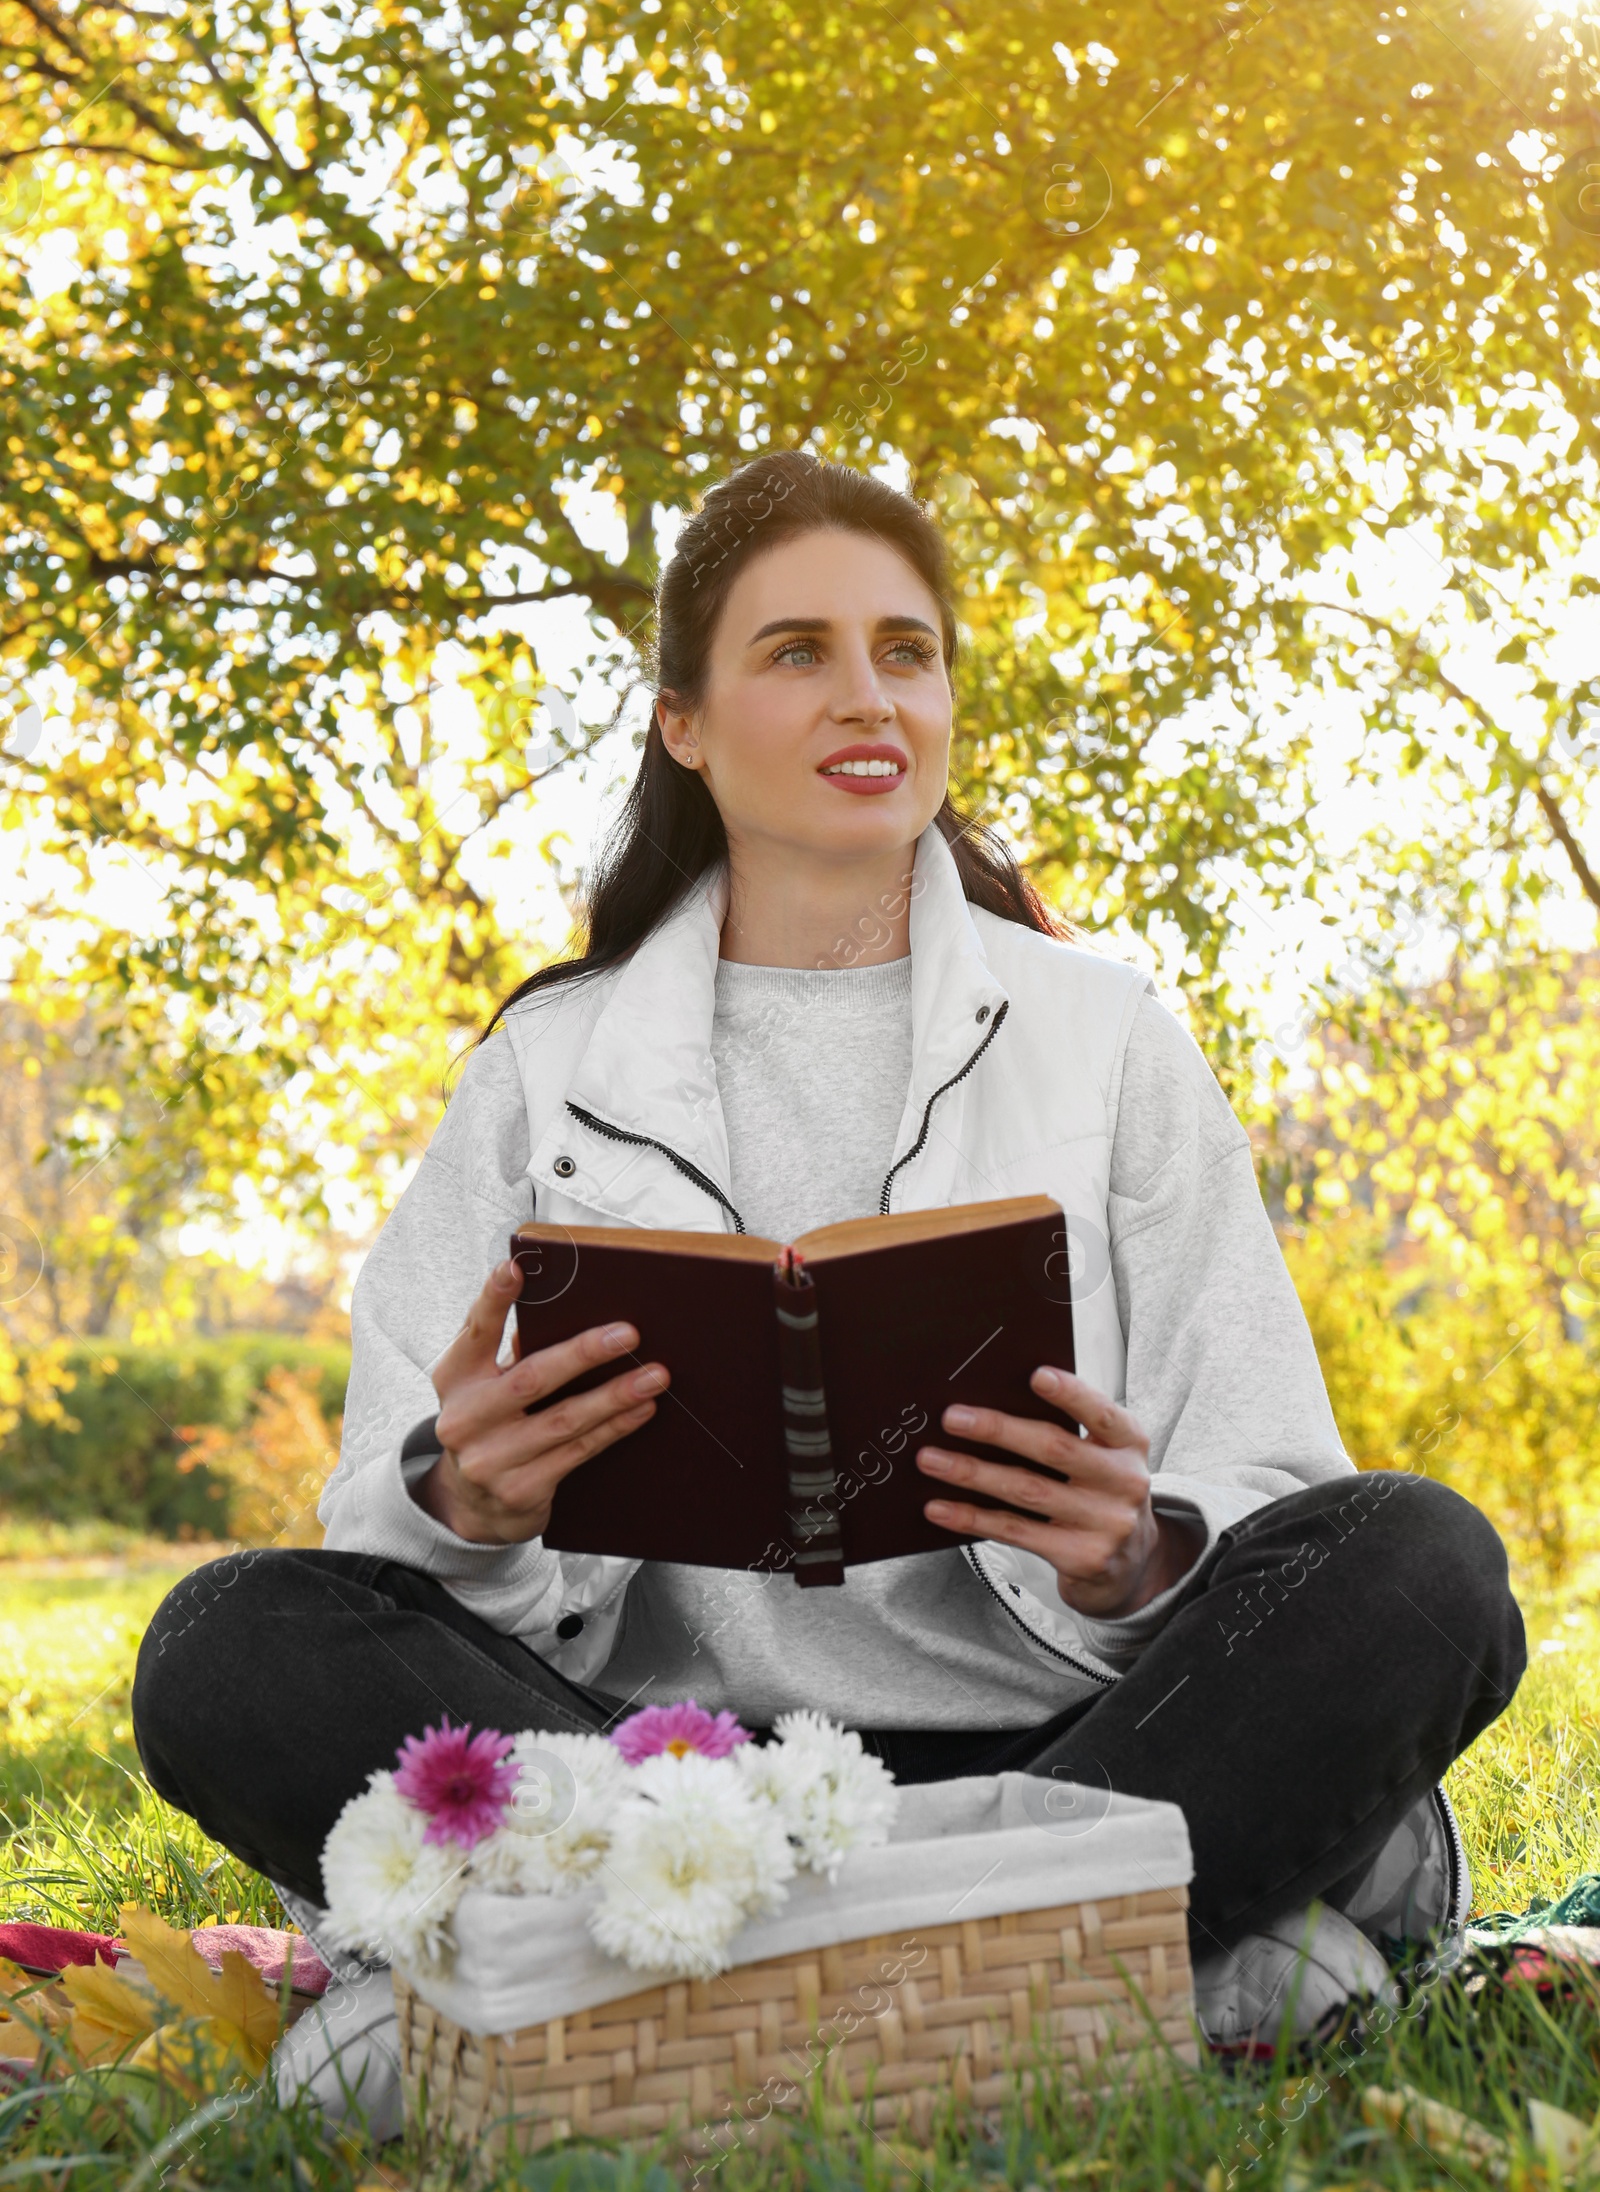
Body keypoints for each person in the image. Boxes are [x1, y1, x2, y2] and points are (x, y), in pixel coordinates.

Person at [134, 450, 1525, 2096]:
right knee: (227, 1640)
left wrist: (1135, 1562)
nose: (868, 694)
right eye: (796, 651)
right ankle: (1109, 1970)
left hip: (1072, 1758)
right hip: (663, 1790)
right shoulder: (541, 1065)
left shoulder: (1107, 1039)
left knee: (1419, 1560)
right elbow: (392, 1514)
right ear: (685, 724)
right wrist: (471, 1509)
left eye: (906, 650)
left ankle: (606, 2010)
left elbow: (1270, 1455)